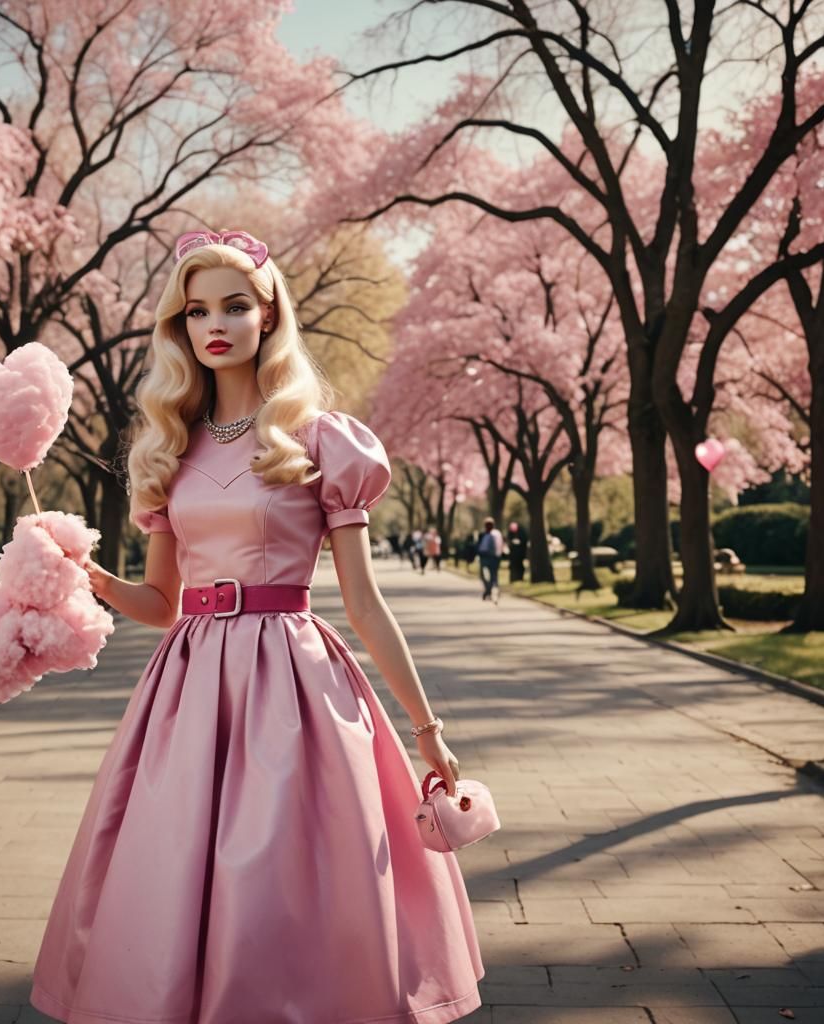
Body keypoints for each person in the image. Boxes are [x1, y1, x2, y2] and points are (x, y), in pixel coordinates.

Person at [29, 229, 484, 1024]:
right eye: (197, 309)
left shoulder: (320, 442)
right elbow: (162, 604)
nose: (215, 323)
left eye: (234, 305)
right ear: (179, 327)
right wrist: (89, 577)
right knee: (174, 867)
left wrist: (427, 728)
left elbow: (366, 603)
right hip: (189, 686)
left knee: (282, 875)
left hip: (296, 682)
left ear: (268, 314)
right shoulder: (170, 449)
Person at [477, 516, 504, 603]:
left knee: (493, 576)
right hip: (484, 556)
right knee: (483, 575)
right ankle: (488, 589)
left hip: (492, 557)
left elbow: (498, 547)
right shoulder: (483, 535)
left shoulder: (495, 535)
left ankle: (490, 591)